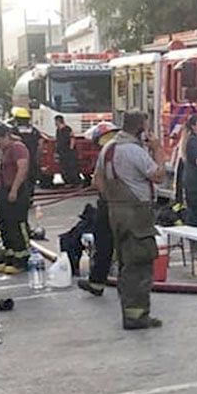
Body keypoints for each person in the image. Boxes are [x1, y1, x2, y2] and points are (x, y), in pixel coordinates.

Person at [94, 112, 166, 329]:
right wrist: (158, 149)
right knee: (140, 264)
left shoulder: (108, 148)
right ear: (141, 129)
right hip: (137, 213)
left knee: (125, 262)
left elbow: (97, 179)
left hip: (115, 211)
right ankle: (137, 316)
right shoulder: (134, 151)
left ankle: (128, 311)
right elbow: (159, 175)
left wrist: (112, 200)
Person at [77, 121, 118, 297]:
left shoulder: (106, 151)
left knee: (104, 243)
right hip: (130, 204)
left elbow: (97, 181)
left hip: (109, 203)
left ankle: (97, 283)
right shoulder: (130, 147)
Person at [0, 125, 32, 272]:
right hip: (3, 191)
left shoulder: (18, 148)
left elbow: (22, 169)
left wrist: (14, 190)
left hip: (15, 191)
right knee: (5, 225)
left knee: (16, 225)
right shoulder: (5, 150)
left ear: (7, 136)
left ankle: (22, 259)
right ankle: (10, 256)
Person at [179, 115, 197, 228]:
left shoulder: (191, 140)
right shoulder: (195, 141)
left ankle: (194, 242)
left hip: (192, 183)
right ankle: (196, 243)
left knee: (194, 214)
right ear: (193, 126)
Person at [10, 108, 41, 183]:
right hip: (32, 158)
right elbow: (40, 143)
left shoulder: (14, 131)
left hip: (19, 160)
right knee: (31, 180)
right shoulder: (34, 131)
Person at [54, 115, 81, 186]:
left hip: (68, 152)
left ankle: (75, 182)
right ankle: (68, 182)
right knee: (64, 168)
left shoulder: (67, 129)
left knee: (71, 167)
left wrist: (71, 149)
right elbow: (58, 141)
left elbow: (72, 138)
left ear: (58, 121)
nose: (55, 123)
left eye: (56, 121)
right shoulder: (58, 130)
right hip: (62, 152)